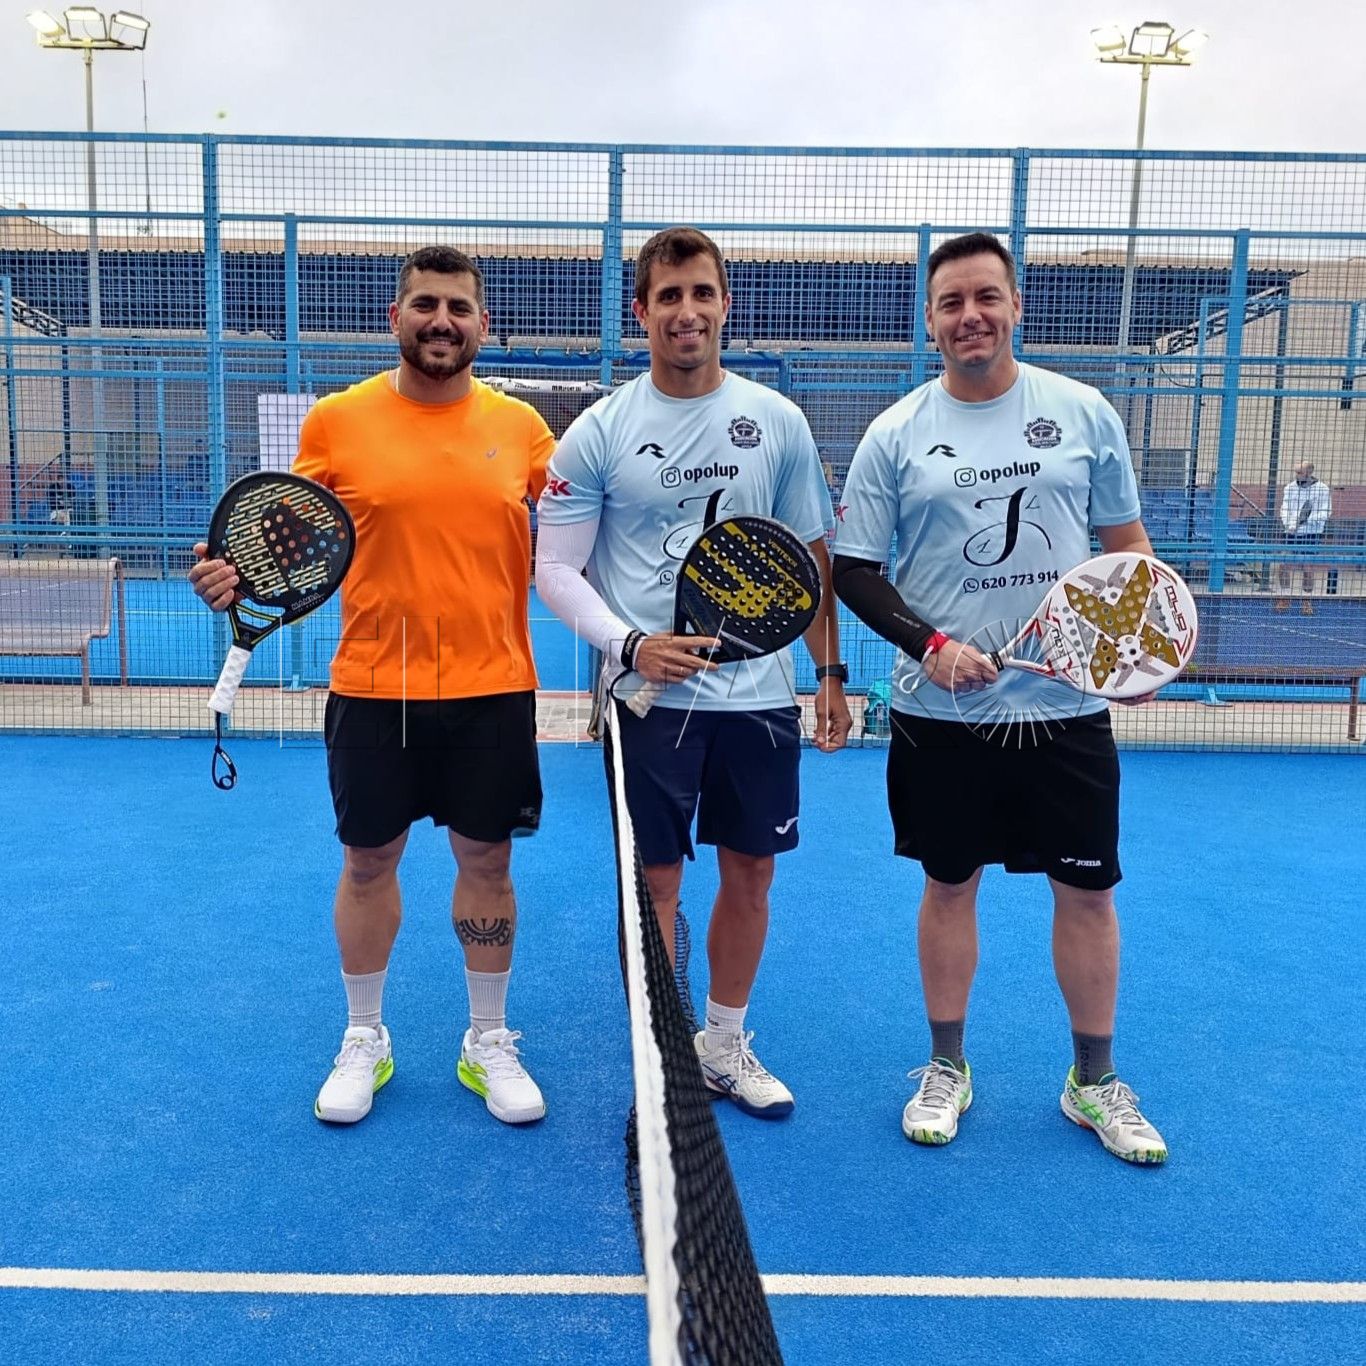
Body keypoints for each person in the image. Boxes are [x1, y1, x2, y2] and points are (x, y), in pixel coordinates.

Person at [189, 246, 555, 1128]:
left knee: (488, 863)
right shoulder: (337, 421)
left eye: (459, 307)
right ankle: (364, 1037)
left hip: (492, 687)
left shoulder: (525, 429)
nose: (442, 321)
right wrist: (227, 576)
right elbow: (277, 537)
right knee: (366, 863)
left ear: (483, 325)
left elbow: (588, 531)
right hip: (373, 686)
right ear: (395, 318)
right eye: (425, 304)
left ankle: (488, 1040)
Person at [831, 232, 1168, 1165]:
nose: (970, 315)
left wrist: (1137, 655)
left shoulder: (1083, 412)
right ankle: (947, 1066)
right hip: (941, 715)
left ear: (1016, 306)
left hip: (1065, 714)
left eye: (986, 296)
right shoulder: (895, 433)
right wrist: (931, 648)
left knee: (1088, 893)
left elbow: (1126, 548)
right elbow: (854, 571)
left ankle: (1093, 1081)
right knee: (948, 885)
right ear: (930, 320)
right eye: (951, 302)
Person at [534, 227, 852, 1119]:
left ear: (724, 304)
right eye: (668, 296)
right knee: (657, 887)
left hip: (759, 701)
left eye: (701, 293)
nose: (687, 311)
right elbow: (554, 568)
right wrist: (630, 645)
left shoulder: (776, 422)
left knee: (752, 874)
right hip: (651, 706)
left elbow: (810, 562)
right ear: (641, 312)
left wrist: (829, 674)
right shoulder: (600, 431)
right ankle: (665, 1052)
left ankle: (722, 1042)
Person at [1275, 461, 1332, 614]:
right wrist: (1289, 523)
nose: (1297, 475)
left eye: (1300, 472)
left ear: (1309, 473)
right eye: (1296, 472)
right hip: (1290, 533)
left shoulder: (1322, 489)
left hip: (1311, 534)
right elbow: (1284, 509)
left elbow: (1326, 512)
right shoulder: (1289, 488)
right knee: (1283, 565)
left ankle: (1306, 601)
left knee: (1308, 567)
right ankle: (1285, 597)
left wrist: (1307, 520)